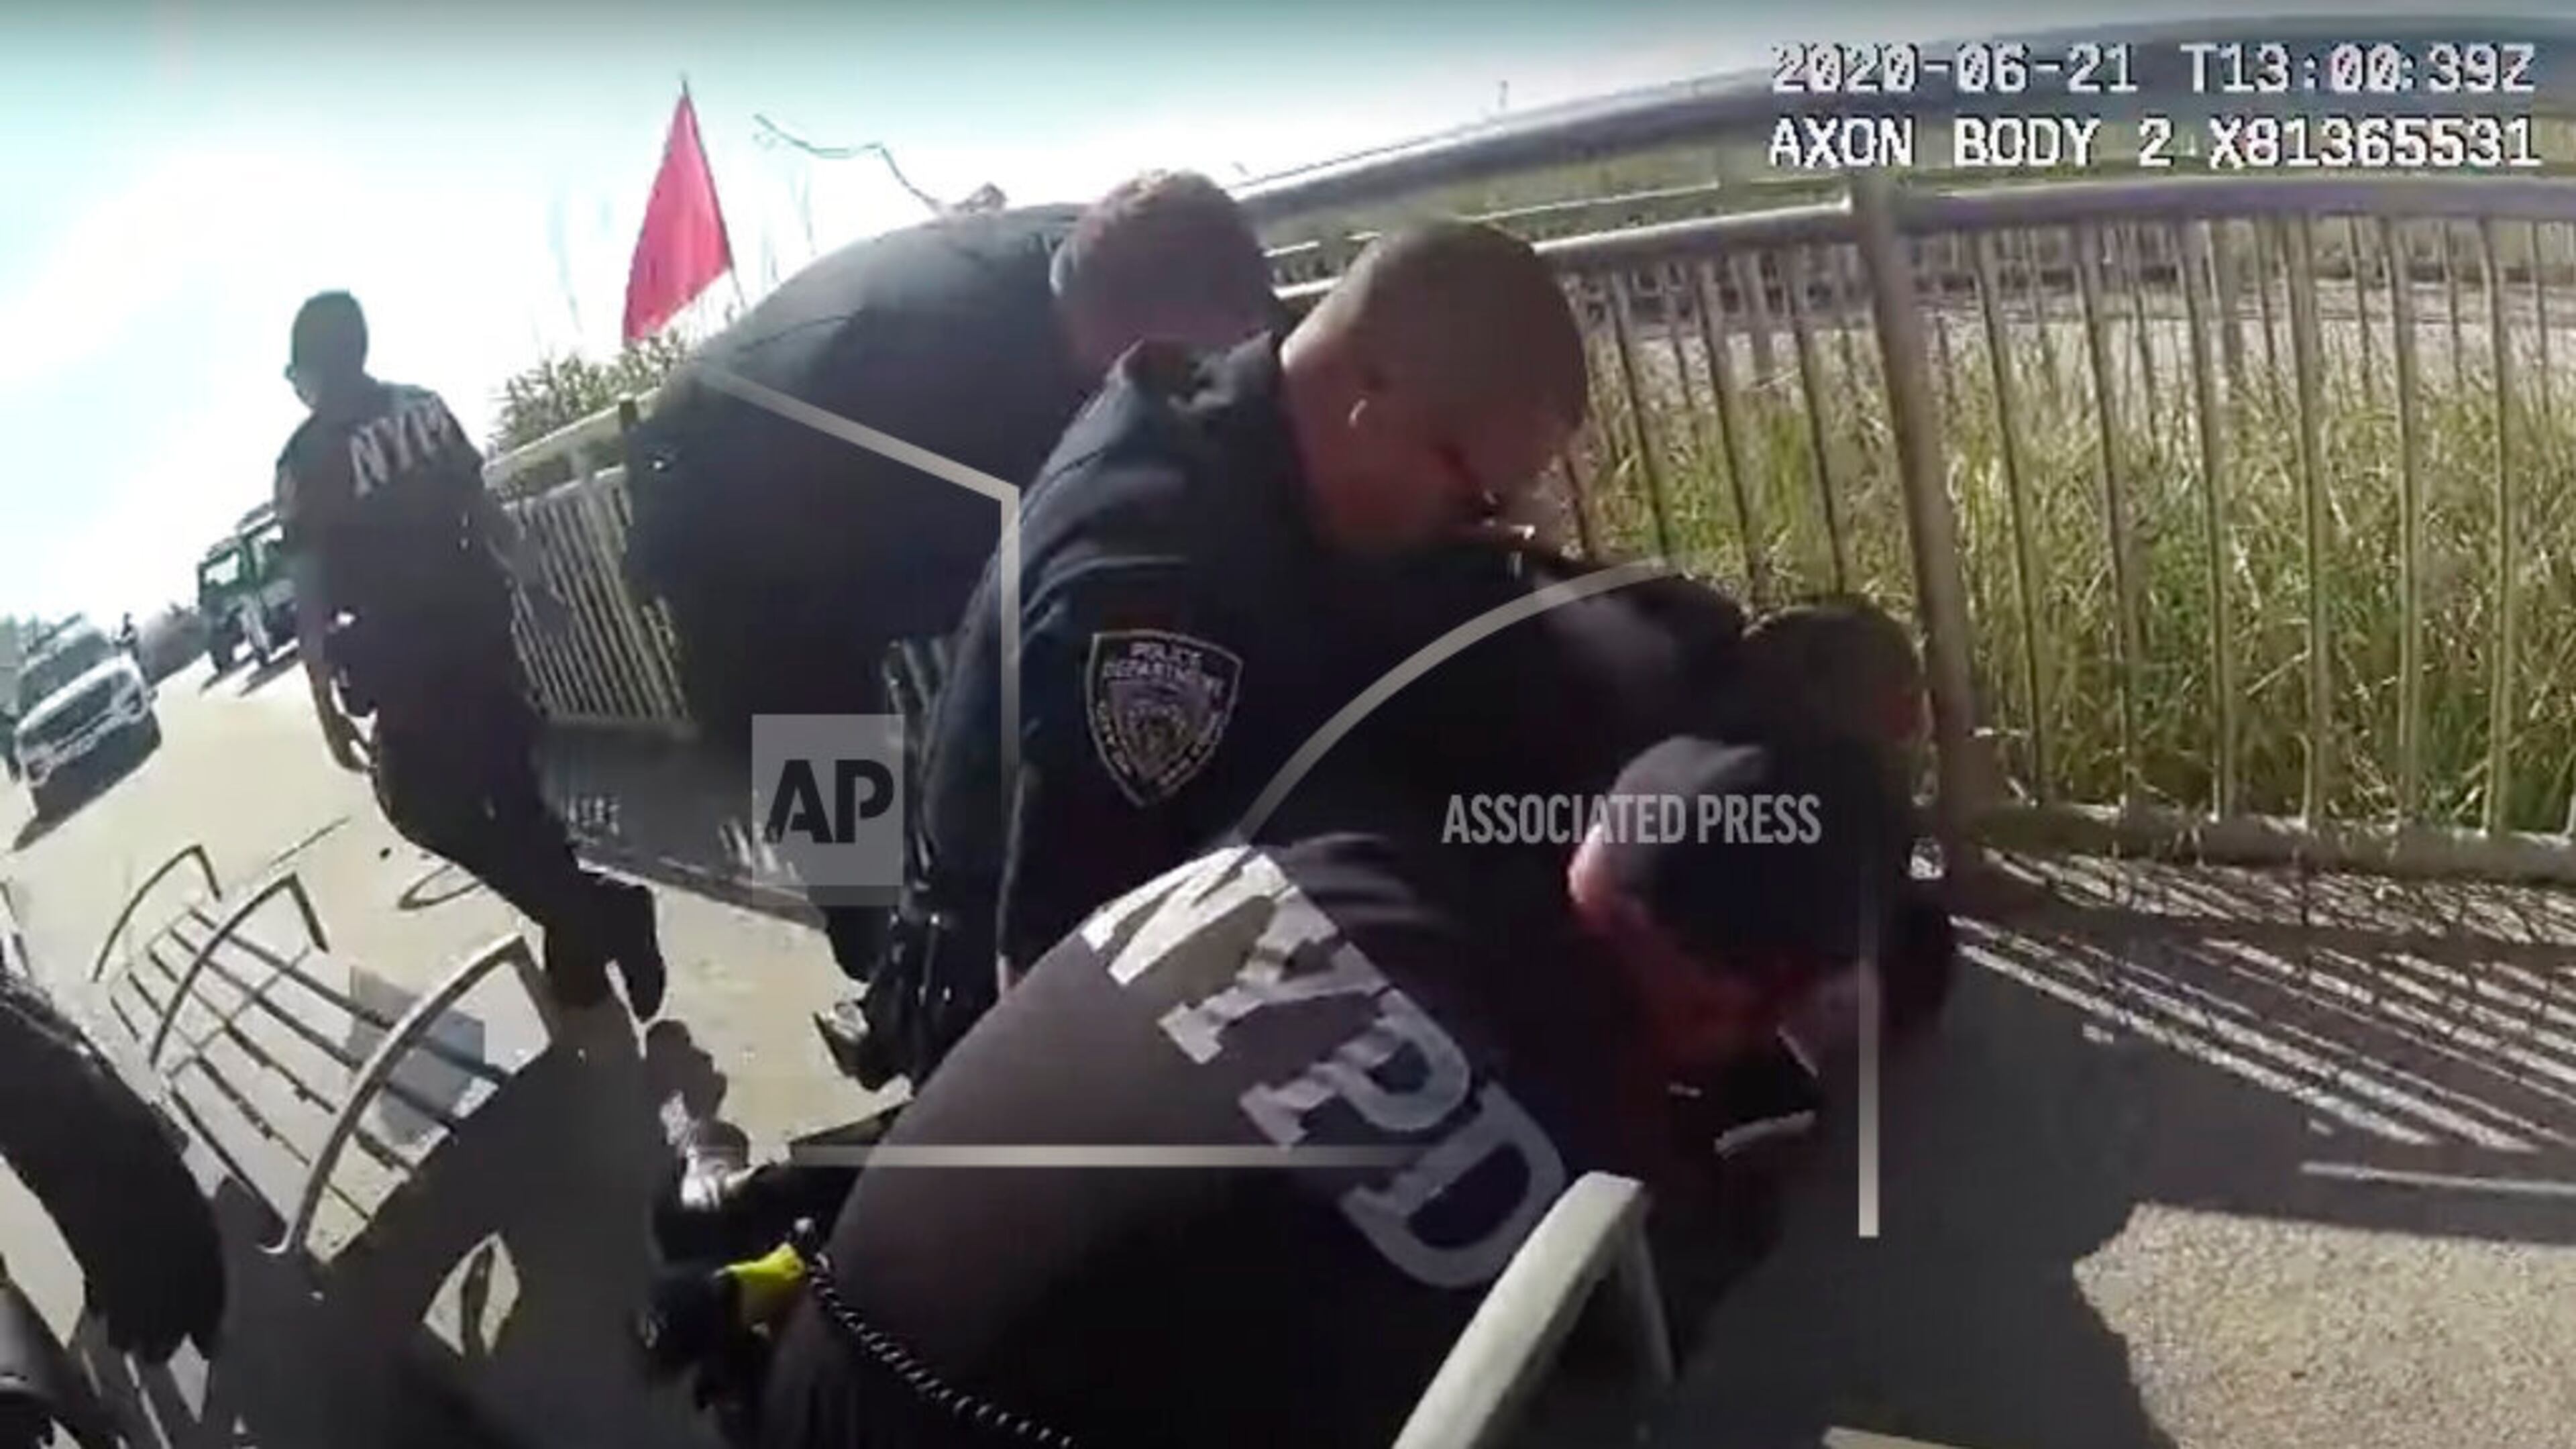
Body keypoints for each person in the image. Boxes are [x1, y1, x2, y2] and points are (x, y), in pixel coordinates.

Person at [734, 732, 1908, 1448]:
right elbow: (1632, 1346)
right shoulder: (1587, 1174)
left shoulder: (1317, 859)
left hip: (807, 1375)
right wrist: (1768, 1157)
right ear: (1741, 1002)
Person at [883, 220, 1591, 1086]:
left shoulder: (1234, 406)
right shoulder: (1156, 601)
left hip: (1174, 888)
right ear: (1373, 408)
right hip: (1008, 1016)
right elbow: (1050, 991)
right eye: (1478, 496)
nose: (1487, 523)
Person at [625, 170, 1281, 998]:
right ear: (1118, 329)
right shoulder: (970, 381)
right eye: (1194, 364)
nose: (1207, 382)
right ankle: (904, 996)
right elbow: (1036, 618)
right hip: (728, 513)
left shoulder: (1134, 251)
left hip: (827, 437)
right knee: (832, 798)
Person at [272, 291, 665, 1018]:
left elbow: (310, 599)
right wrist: (536, 585)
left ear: (314, 371)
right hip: (485, 638)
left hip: (410, 672)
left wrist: (327, 709)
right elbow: (484, 510)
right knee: (516, 799)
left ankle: (605, 913)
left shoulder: (307, 461)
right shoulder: (424, 407)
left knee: (416, 806)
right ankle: (581, 972)